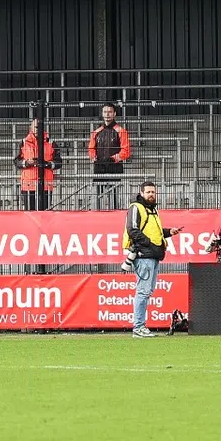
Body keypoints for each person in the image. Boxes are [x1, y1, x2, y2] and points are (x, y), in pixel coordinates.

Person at [124, 181, 181, 338]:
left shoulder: (152, 210)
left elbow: (155, 231)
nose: (151, 194)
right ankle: (138, 327)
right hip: (144, 255)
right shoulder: (136, 208)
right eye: (148, 192)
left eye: (153, 192)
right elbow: (132, 230)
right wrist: (149, 244)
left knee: (146, 291)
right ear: (141, 193)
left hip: (152, 254)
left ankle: (140, 326)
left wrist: (169, 232)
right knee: (143, 291)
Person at [88, 103, 132, 209]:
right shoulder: (96, 132)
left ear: (114, 114)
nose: (107, 114)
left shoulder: (121, 131)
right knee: (97, 196)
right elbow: (90, 149)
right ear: (102, 114)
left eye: (110, 112)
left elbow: (126, 151)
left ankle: (115, 214)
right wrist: (94, 157)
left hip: (115, 167)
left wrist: (113, 158)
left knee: (114, 196)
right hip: (99, 167)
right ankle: (97, 216)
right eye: (105, 112)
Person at [14, 118, 61, 211]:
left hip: (45, 184)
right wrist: (27, 163)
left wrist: (47, 164)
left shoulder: (51, 143)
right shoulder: (23, 143)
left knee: (45, 213)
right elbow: (16, 161)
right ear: (31, 128)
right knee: (29, 213)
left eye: (40, 127)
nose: (38, 129)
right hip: (28, 184)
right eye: (36, 127)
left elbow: (59, 162)